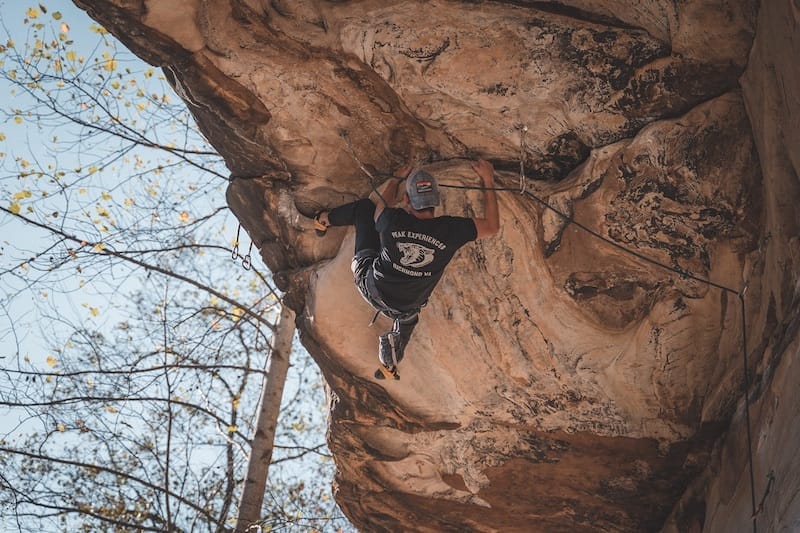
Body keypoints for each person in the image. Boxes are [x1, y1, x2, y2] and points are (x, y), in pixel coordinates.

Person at [315, 159, 500, 379]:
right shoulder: (451, 230)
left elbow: (379, 208)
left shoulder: (393, 219)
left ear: (406, 200)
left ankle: (323, 220)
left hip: (372, 286)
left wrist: (395, 179)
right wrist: (488, 178)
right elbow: (492, 226)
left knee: (364, 208)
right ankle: (389, 361)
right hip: (406, 306)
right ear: (436, 201)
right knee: (408, 315)